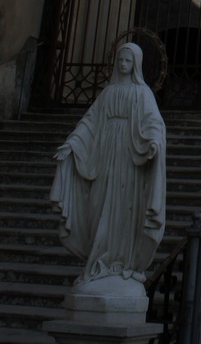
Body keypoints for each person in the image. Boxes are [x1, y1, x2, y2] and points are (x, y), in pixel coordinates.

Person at [50, 42, 166, 283]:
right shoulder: (107, 93)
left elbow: (153, 122)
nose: (123, 64)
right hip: (104, 152)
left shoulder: (142, 93)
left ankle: (122, 259)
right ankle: (97, 258)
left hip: (129, 156)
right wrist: (72, 144)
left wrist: (154, 141)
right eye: (120, 60)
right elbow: (89, 123)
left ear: (135, 64)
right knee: (98, 203)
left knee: (124, 207)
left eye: (127, 61)